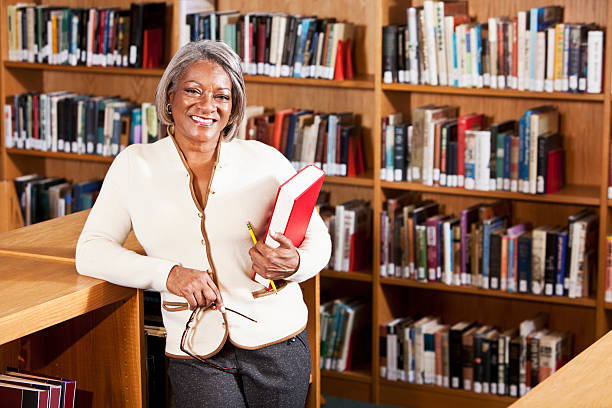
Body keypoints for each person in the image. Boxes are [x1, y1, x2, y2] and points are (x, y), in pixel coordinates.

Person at [75, 40, 332, 408]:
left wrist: (295, 263)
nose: (207, 106)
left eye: (221, 96)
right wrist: (169, 275)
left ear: (233, 108)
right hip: (196, 345)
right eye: (193, 91)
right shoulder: (135, 165)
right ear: (169, 97)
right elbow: (91, 252)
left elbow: (319, 241)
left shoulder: (264, 160)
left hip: (278, 343)